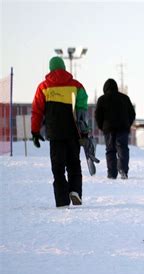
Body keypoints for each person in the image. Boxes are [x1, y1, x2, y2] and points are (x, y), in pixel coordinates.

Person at [31, 56, 89, 208]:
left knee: (58, 167)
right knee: (74, 165)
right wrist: (84, 131)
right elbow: (82, 110)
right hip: (73, 133)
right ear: (64, 67)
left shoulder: (43, 87)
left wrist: (35, 131)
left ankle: (62, 200)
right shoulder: (76, 86)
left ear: (50, 68)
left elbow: (36, 111)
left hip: (55, 134)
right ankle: (75, 191)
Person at [95, 78, 136, 179]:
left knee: (110, 151)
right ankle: (123, 170)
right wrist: (128, 124)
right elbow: (132, 113)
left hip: (108, 129)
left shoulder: (102, 99)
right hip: (122, 128)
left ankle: (112, 173)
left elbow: (98, 115)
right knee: (123, 149)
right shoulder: (125, 98)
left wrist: (102, 127)